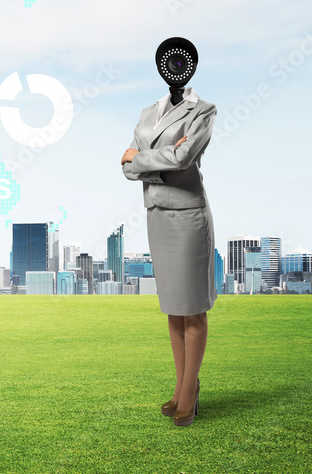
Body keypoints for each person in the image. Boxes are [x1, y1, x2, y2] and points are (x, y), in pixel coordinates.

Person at [121, 37, 217, 427]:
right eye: (169, 61)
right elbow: (125, 167)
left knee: (192, 309)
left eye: (181, 62)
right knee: (173, 310)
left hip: (189, 216)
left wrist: (142, 159)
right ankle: (181, 388)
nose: (175, 68)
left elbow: (184, 156)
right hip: (157, 215)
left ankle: (190, 392)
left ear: (190, 66)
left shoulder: (204, 110)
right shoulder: (148, 113)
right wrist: (155, 161)